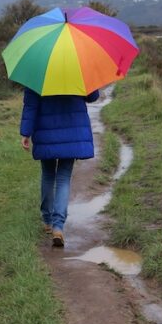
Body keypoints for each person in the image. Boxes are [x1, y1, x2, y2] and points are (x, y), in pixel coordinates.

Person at [20, 86, 100, 247]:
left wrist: (25, 133)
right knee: (63, 178)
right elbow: (93, 96)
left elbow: (30, 105)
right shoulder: (78, 68)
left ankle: (48, 221)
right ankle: (58, 227)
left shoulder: (38, 70)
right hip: (72, 132)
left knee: (48, 175)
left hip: (45, 131)